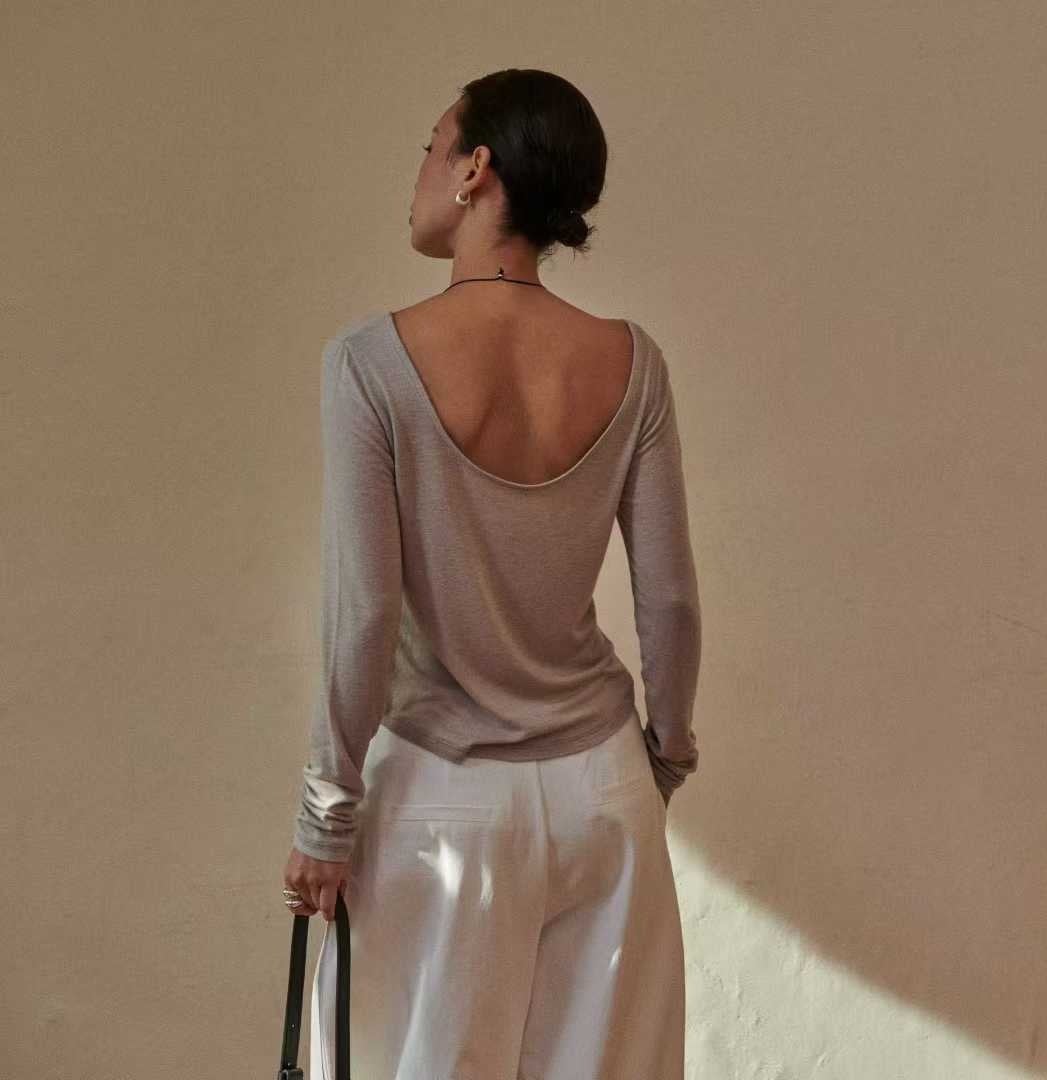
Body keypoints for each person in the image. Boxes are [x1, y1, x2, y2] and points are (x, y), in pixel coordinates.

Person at [278, 69, 701, 1080]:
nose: (420, 174)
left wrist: (326, 814)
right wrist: (662, 760)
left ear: (474, 169)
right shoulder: (631, 363)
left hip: (443, 797)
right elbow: (670, 598)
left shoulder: (370, 363)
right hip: (604, 792)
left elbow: (365, 612)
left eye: (431, 147)